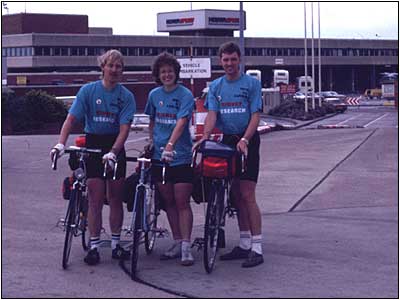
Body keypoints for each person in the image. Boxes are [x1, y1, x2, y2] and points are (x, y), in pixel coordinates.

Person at [50, 49, 136, 266]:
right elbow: (71, 120)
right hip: (93, 143)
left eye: (119, 66)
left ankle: (116, 244)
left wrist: (114, 152)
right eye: (111, 65)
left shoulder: (126, 96)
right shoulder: (88, 91)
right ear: (103, 67)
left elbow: (125, 129)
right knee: (95, 198)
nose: (114, 70)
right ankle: (95, 245)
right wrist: (61, 143)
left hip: (114, 144)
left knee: (115, 197)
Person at [193, 42, 264, 268]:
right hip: (226, 141)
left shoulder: (252, 84)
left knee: (247, 193)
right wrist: (205, 136)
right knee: (234, 194)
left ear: (239, 60)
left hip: (247, 140)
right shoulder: (216, 86)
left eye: (233, 59)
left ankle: (257, 247)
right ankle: (244, 244)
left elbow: (255, 115)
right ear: (220, 61)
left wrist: (245, 139)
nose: (230, 64)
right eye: (225, 60)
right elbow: (212, 113)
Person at [144, 52, 195, 266]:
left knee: (182, 200)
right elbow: (153, 121)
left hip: (180, 156)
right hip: (159, 158)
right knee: (169, 201)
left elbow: (182, 122)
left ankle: (186, 246)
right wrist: (152, 141)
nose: (167, 75)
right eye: (163, 71)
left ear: (176, 73)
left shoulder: (185, 95)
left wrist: (171, 145)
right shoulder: (154, 95)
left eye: (170, 71)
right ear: (158, 74)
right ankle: (176, 241)